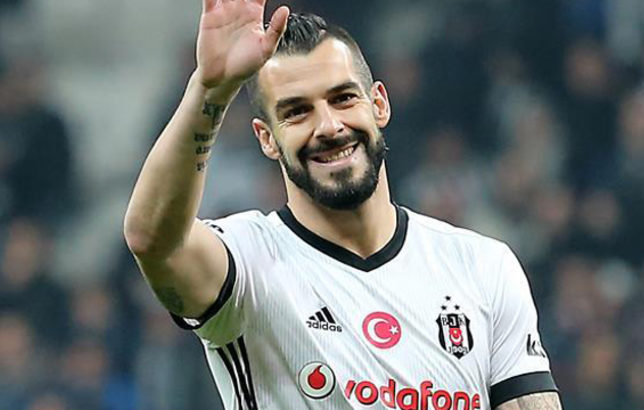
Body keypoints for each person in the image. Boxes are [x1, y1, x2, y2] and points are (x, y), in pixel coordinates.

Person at [123, 0, 562, 408]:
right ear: (267, 139)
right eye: (297, 112)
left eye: (343, 98)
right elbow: (152, 239)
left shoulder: (482, 267)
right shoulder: (246, 263)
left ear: (379, 105)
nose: (329, 126)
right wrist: (211, 90)